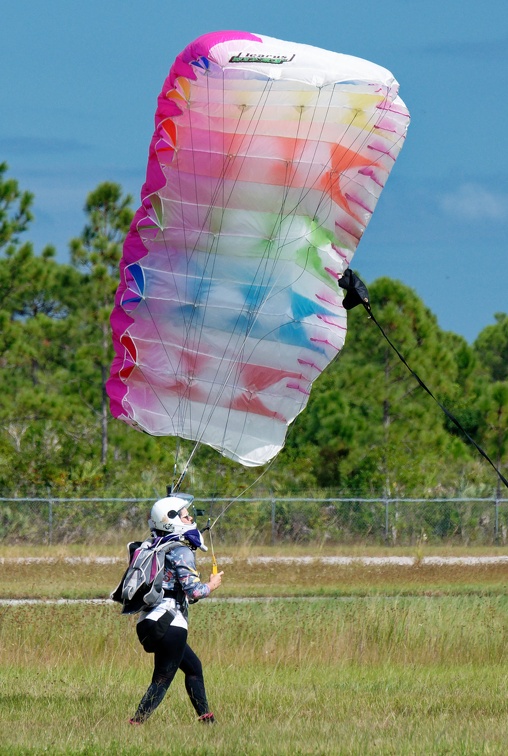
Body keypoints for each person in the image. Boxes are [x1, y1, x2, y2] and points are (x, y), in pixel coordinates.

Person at [129, 494, 224, 725]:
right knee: (162, 679)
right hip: (170, 624)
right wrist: (211, 585)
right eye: (185, 515)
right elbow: (194, 592)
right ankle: (136, 723)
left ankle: (206, 719)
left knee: (193, 667)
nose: (191, 518)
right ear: (172, 521)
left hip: (148, 621)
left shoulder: (154, 545)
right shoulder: (181, 550)